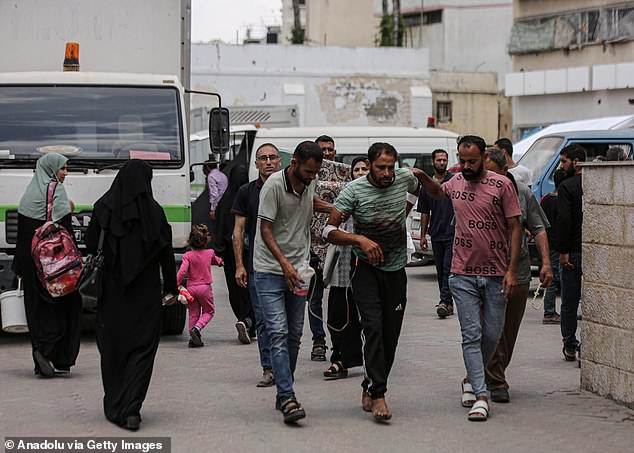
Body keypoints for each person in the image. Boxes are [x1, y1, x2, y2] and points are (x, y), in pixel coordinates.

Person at [416, 135, 522, 421]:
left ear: (483, 158)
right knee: (471, 336)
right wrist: (423, 176)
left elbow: (515, 228)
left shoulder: (502, 185)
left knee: (491, 335)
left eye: (471, 161)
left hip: (496, 274)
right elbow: (438, 193)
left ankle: (469, 378)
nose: (465, 166)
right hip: (461, 274)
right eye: (461, 161)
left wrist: (512, 271)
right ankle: (480, 394)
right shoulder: (455, 181)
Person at [324, 142, 420, 421]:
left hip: (396, 271)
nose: (388, 173)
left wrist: (404, 212)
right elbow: (330, 229)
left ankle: (369, 384)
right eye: (381, 167)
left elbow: (416, 186)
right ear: (370, 165)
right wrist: (360, 240)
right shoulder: (353, 190)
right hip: (364, 269)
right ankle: (379, 394)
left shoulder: (403, 177)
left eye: (391, 167)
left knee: (390, 335)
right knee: (373, 329)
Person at [85, 160, 178, 431]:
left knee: (113, 350)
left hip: (111, 295)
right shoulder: (156, 213)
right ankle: (132, 408)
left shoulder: (103, 209)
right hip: (145, 297)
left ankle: (115, 404)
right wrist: (171, 288)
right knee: (142, 350)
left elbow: (91, 246)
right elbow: (166, 256)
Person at [253, 141, 324, 424]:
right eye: (307, 171)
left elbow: (310, 204)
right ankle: (287, 395)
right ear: (293, 162)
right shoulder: (272, 186)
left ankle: (284, 390)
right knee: (278, 331)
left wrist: (333, 208)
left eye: (315, 173)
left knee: (295, 333)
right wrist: (284, 266)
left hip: (300, 270)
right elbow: (265, 230)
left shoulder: (309, 183)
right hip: (270, 270)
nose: (311, 177)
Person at [483, 147, 553, 403]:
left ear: (505, 171)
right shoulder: (475, 190)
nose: (487, 179)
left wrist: (546, 263)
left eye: (492, 173)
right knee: (488, 328)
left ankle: (493, 372)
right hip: (485, 272)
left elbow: (538, 228)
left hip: (519, 271)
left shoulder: (522, 193)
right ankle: (495, 378)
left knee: (508, 330)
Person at [13, 153, 81, 378]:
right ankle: (56, 356)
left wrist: (19, 267)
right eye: (63, 168)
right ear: (51, 169)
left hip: (32, 263)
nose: (65, 173)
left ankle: (40, 353)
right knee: (63, 304)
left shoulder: (28, 195)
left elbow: (22, 237)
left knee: (36, 308)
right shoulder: (57, 192)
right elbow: (66, 233)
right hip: (54, 266)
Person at [232, 143, 281, 387]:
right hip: (258, 266)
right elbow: (238, 231)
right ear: (256, 164)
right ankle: (269, 368)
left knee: (286, 323)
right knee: (263, 320)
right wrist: (240, 265)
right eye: (264, 158)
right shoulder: (247, 191)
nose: (269, 161)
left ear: (280, 161)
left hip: (288, 265)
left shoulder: (291, 188)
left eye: (273, 157)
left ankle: (284, 366)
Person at [322, 156, 367, 380]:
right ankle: (338, 354)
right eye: (356, 169)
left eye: (364, 169)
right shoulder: (345, 194)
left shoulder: (375, 196)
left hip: (365, 269)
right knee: (337, 315)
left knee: (360, 318)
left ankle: (343, 359)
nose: (360, 172)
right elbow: (329, 226)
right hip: (341, 270)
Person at [214, 165, 255, 344]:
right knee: (252, 287)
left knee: (235, 287)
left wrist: (220, 251)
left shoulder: (225, 200)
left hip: (231, 253)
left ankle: (243, 318)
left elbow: (220, 226)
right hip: (250, 250)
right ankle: (250, 321)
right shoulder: (250, 196)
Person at [306, 134, 338, 361]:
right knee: (315, 298)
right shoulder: (305, 177)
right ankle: (319, 342)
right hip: (311, 248)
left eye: (330, 149)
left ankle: (341, 344)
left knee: (339, 298)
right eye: (323, 150)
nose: (327, 153)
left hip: (337, 246)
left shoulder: (342, 176)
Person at [417, 148, 456, 318]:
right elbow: (425, 212)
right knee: (440, 270)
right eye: (439, 160)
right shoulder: (427, 185)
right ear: (433, 162)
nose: (442, 162)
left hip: (452, 232)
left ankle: (443, 301)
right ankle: (448, 303)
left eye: (444, 160)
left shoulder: (453, 181)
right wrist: (423, 235)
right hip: (436, 233)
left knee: (448, 268)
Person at [557, 144, 586, 362]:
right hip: (592, 250)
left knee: (569, 301)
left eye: (563, 161)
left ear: (575, 162)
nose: (560, 166)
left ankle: (569, 344)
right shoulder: (594, 185)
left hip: (573, 252)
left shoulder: (567, 187)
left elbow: (564, 221)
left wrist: (563, 252)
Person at [177, 224, 224, 348]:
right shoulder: (210, 253)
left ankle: (192, 339)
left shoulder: (188, 256)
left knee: (193, 313)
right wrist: (220, 262)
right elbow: (216, 260)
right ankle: (197, 329)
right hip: (205, 288)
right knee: (209, 311)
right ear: (205, 241)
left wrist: (176, 283)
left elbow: (182, 271)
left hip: (191, 288)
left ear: (190, 242)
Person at [540, 168, 568, 324]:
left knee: (552, 278)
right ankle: (549, 312)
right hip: (557, 245)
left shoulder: (545, 199)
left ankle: (551, 311)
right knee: (555, 278)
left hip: (547, 243)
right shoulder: (561, 202)